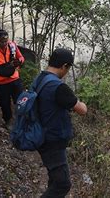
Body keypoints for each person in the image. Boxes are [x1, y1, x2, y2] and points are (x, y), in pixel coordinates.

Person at [34, 48, 87, 198]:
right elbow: (82, 110)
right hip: (53, 140)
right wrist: (81, 103)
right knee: (62, 184)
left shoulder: (39, 79)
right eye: (68, 68)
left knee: (54, 178)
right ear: (64, 66)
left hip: (42, 135)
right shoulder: (58, 87)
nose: (67, 72)